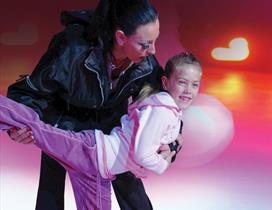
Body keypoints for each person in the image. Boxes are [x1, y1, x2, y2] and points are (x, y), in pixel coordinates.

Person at [6, 0, 178, 209]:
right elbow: (29, 92)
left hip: (112, 129)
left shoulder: (146, 62)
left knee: (133, 191)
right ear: (121, 37)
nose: (153, 50)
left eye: (154, 41)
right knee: (51, 191)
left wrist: (173, 143)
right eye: (145, 44)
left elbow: (165, 103)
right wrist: (19, 127)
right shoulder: (72, 48)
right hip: (65, 123)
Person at [0, 52, 202, 210]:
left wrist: (172, 145)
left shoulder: (165, 102)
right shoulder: (162, 110)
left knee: (39, 131)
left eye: (195, 84)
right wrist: (160, 165)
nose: (189, 90)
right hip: (91, 149)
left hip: (102, 168)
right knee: (39, 130)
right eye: (183, 83)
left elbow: (155, 137)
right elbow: (143, 152)